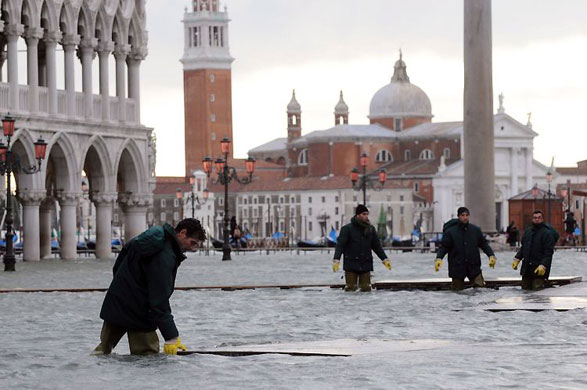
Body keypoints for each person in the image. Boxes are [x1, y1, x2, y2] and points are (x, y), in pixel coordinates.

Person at [93, 218, 206, 355]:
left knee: (102, 352)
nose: (192, 248)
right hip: (140, 312)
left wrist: (122, 288)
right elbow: (159, 298)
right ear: (182, 233)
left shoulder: (148, 239)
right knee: (148, 359)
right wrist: (171, 337)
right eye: (192, 242)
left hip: (118, 302)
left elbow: (119, 264)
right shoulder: (165, 254)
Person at [434, 207, 496, 291]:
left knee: (480, 289)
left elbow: (484, 244)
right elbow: (444, 247)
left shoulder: (475, 230)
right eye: (463, 215)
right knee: (457, 291)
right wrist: (439, 258)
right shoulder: (451, 232)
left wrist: (491, 255)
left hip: (474, 266)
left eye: (467, 215)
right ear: (458, 216)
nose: (465, 217)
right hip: (457, 267)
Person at [332, 204, 391, 292]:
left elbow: (377, 246)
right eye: (364, 214)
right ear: (358, 215)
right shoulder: (347, 229)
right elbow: (340, 245)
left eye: (367, 214)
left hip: (365, 264)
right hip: (351, 264)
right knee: (351, 288)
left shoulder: (371, 229)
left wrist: (385, 259)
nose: (366, 216)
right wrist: (336, 260)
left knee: (366, 288)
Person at [512, 210, 558, 290]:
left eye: (539, 218)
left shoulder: (547, 234)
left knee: (538, 291)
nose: (537, 219)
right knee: (525, 290)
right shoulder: (528, 231)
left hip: (539, 269)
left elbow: (548, 253)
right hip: (526, 269)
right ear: (532, 219)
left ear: (542, 219)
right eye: (535, 218)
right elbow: (524, 247)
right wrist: (517, 258)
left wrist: (543, 265)